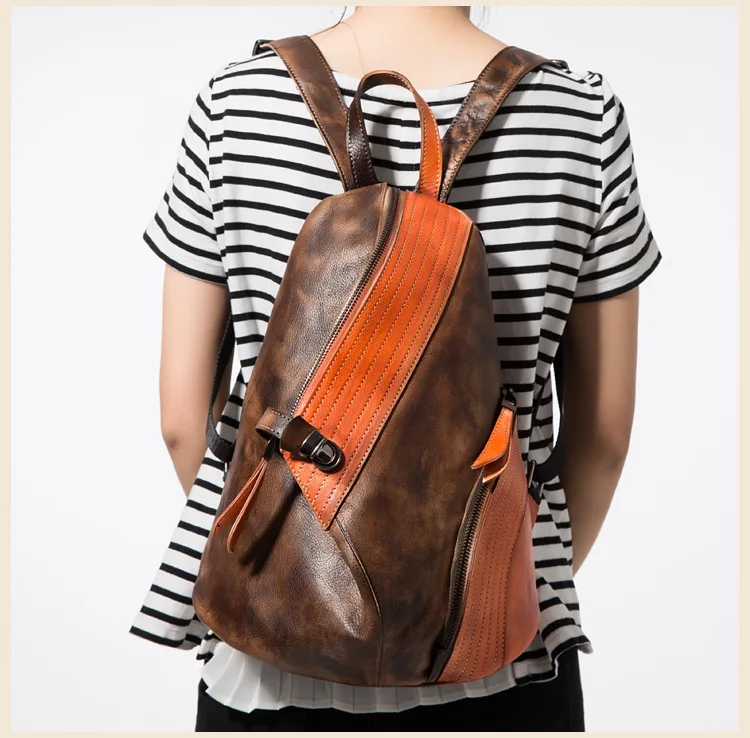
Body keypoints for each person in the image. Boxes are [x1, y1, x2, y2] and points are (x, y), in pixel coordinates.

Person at [129, 5, 662, 732]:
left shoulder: (235, 105)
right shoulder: (581, 117)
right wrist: (490, 585)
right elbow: (602, 437)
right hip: (499, 656)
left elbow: (180, 420)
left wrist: (284, 564)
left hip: (265, 661)